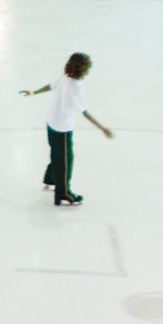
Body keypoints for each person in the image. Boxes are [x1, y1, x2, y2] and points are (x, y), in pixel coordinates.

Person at [20, 53, 114, 208]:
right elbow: (85, 112)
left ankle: (50, 179)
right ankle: (63, 192)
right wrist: (102, 128)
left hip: (51, 123)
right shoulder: (76, 86)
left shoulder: (64, 77)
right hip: (62, 129)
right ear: (83, 68)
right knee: (65, 161)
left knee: (56, 154)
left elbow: (51, 85)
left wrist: (33, 92)